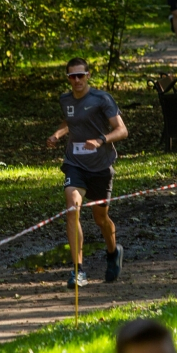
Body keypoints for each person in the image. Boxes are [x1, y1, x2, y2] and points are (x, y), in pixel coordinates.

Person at [46, 57, 127, 288]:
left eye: (81, 75)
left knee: (100, 219)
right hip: (75, 163)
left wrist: (101, 140)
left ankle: (113, 251)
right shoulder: (65, 99)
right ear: (68, 78)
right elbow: (70, 121)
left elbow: (122, 130)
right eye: (72, 76)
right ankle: (78, 271)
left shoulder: (102, 99)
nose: (77, 80)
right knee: (72, 207)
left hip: (100, 166)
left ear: (88, 75)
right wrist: (57, 135)